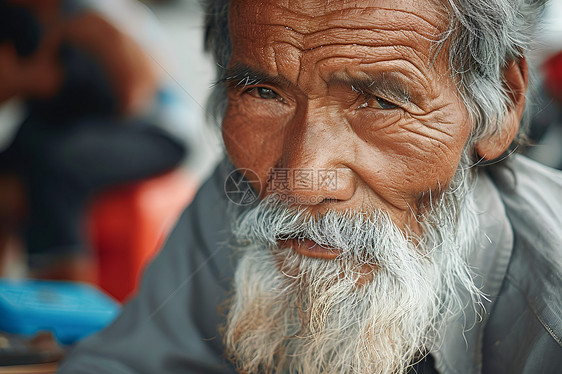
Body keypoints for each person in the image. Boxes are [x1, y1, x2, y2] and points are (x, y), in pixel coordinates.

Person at [57, 0, 562, 373]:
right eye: (264, 92)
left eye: (381, 102)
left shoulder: (548, 320)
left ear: (501, 103)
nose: (300, 180)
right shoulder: (241, 195)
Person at [0, 0, 187, 281]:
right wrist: (29, 79)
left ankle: (66, 306)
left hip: (151, 128)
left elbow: (136, 98)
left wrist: (43, 78)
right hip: (64, 131)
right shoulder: (21, 19)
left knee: (56, 164)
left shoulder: (90, 14)